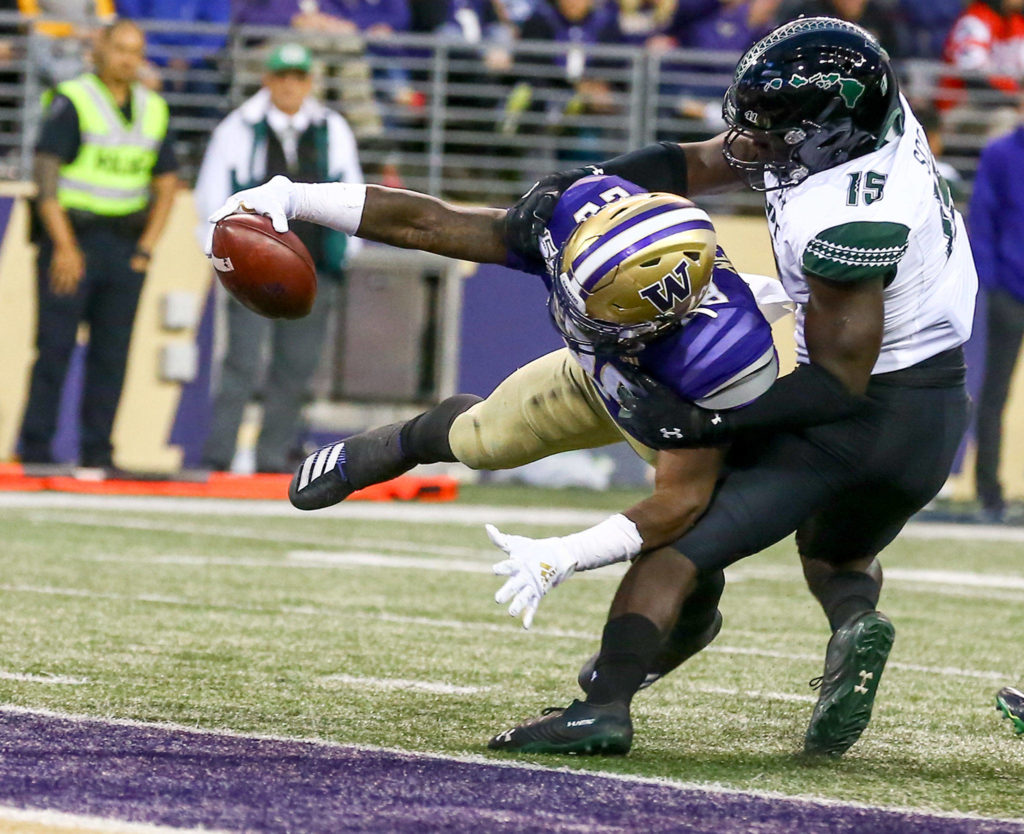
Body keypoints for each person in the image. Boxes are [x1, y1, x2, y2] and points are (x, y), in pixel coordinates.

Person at [486, 16, 976, 757]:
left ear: (828, 136)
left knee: (679, 545)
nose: (754, 143)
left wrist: (702, 422)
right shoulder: (874, 118)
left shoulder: (847, 218)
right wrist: (579, 189)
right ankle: (853, 625)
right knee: (835, 556)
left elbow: (840, 384)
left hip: (861, 411)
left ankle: (604, 705)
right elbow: (708, 161)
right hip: (935, 417)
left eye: (777, 131)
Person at [206, 169, 789, 647]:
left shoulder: (722, 355)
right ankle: (394, 444)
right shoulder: (566, 219)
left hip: (676, 405)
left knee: (693, 544)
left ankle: (679, 638)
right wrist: (296, 197)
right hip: (598, 373)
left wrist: (567, 553)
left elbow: (680, 501)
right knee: (482, 438)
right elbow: (426, 221)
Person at [194, 42, 363, 474]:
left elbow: (352, 194)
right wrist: (221, 257)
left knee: (296, 366)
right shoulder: (237, 129)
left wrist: (345, 255)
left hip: (313, 268)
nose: (290, 85)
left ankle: (272, 458)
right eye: (282, 76)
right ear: (268, 80)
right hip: (252, 270)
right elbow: (211, 196)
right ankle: (219, 456)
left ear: (309, 82)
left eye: (298, 77)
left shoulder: (332, 128)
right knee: (242, 362)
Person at [18, 19, 178, 470]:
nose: (128, 58)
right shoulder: (74, 100)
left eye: (136, 50)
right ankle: (36, 451)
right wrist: (65, 247)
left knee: (113, 354)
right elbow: (45, 178)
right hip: (73, 240)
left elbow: (167, 182)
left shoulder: (153, 108)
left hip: (125, 245)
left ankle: (98, 453)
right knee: (54, 347)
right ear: (100, 50)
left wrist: (146, 247)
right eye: (120, 48)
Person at [968, 109, 1024, 523]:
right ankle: (990, 494)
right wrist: (990, 282)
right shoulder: (1001, 154)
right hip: (1009, 291)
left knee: (994, 395)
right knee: (994, 394)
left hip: (1008, 283)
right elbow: (982, 220)